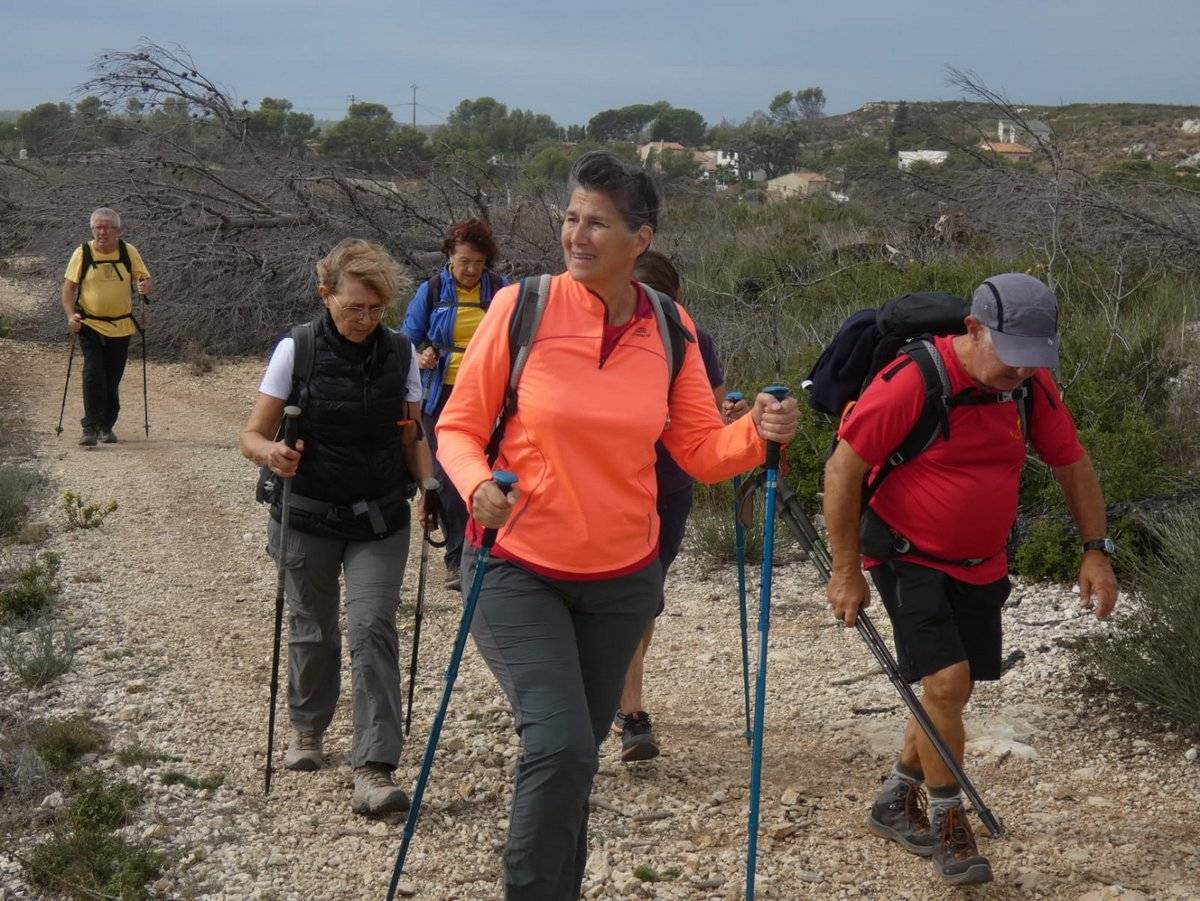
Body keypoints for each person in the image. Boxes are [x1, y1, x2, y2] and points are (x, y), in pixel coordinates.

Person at [435, 150, 799, 900]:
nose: (577, 233)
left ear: (641, 238)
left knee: (577, 755)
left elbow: (698, 450)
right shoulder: (522, 307)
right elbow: (457, 428)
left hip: (621, 583)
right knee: (562, 744)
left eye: (597, 221)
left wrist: (762, 433)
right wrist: (475, 488)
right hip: (516, 565)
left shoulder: (671, 327)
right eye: (571, 217)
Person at [823, 272, 1119, 886]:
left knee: (949, 695)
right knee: (947, 680)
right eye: (1011, 356)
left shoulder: (1029, 388)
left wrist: (1096, 549)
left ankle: (895, 797)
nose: (1021, 371)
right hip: (905, 552)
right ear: (974, 331)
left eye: (1033, 360)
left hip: (982, 562)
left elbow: (1072, 462)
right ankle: (949, 824)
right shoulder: (912, 380)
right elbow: (843, 471)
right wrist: (845, 570)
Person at [239, 238, 437, 816]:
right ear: (326, 296)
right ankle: (307, 728)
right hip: (306, 513)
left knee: (373, 628)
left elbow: (412, 434)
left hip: (379, 514)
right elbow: (251, 434)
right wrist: (270, 454)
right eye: (354, 307)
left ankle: (375, 766)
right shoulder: (295, 350)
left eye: (376, 309)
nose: (366, 320)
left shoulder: (401, 354)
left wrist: (431, 488)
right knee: (313, 627)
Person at [611, 249, 749, 762]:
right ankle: (630, 709)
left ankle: (621, 702)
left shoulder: (692, 339)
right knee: (621, 596)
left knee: (644, 596)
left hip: (667, 486)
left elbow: (706, 415)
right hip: (609, 487)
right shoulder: (598, 339)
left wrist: (731, 418)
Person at [402, 219, 508, 591]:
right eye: (463, 261)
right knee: (446, 479)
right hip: (440, 394)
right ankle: (456, 558)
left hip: (487, 393)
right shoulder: (431, 291)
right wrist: (420, 357)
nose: (470, 270)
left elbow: (516, 334)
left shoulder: (499, 291)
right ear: (449, 256)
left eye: (477, 263)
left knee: (489, 471)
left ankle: (486, 553)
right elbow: (405, 341)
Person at [61, 207, 152, 446]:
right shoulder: (82, 252)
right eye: (97, 227)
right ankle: (90, 428)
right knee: (93, 373)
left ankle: (107, 425)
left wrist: (144, 287)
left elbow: (144, 279)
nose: (102, 232)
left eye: (107, 227)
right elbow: (69, 289)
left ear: (117, 230)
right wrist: (71, 317)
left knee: (112, 378)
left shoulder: (128, 251)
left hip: (121, 326)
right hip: (89, 323)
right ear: (92, 229)